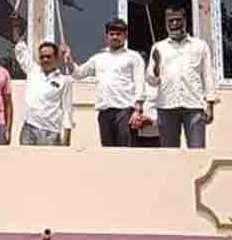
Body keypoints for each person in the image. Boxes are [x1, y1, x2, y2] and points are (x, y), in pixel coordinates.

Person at [147, 6, 218, 149]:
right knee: (169, 153)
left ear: (185, 21)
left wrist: (210, 105)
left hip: (194, 106)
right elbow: (151, 79)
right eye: (170, 21)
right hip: (166, 106)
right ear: (166, 23)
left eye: (178, 20)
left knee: (197, 151)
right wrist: (155, 70)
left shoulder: (200, 46)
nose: (174, 24)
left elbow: (207, 76)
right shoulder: (158, 48)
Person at [68, 18, 145, 147]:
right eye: (111, 34)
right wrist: (69, 60)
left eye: (118, 34)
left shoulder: (133, 57)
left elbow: (140, 84)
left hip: (125, 111)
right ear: (106, 36)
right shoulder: (99, 58)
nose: (115, 37)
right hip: (104, 112)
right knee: (108, 152)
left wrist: (138, 111)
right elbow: (78, 73)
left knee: (125, 153)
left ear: (125, 36)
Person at [9, 19, 73, 146]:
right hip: (29, 129)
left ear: (56, 58)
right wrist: (15, 27)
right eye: (42, 56)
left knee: (49, 166)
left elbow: (67, 110)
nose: (45, 59)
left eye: (49, 56)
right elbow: (21, 49)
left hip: (51, 133)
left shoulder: (64, 81)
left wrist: (67, 138)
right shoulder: (33, 71)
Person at [133, 73, 161, 148]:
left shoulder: (161, 83)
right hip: (136, 134)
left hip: (157, 135)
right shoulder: (135, 83)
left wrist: (153, 122)